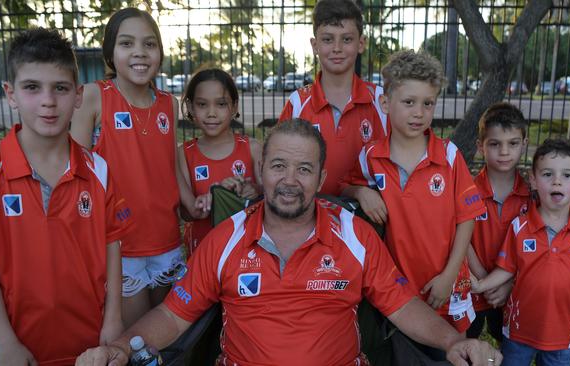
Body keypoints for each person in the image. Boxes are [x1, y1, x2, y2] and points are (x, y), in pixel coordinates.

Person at [76, 119, 502, 366]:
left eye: (303, 170)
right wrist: (116, 348)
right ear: (261, 171)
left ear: (320, 179)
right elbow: (172, 317)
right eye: (278, 166)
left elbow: (403, 306)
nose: (289, 181)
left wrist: (452, 342)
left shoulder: (354, 236)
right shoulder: (226, 239)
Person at [0, 28, 132, 365]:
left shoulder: (99, 171)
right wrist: (6, 342)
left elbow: (113, 247)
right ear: (11, 94)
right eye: (32, 87)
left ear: (78, 96)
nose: (48, 101)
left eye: (61, 88)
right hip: (13, 348)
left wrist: (113, 318)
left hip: (87, 344)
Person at [70, 8, 208, 329]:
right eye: (127, 43)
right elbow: (76, 177)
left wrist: (191, 203)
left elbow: (170, 164)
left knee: (161, 338)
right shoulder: (93, 97)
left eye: (149, 44)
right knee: (133, 339)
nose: (139, 53)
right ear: (110, 52)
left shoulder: (167, 104)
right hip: (120, 246)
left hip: (165, 238)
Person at [341, 50, 486, 354]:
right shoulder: (370, 157)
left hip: (447, 288)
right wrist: (360, 192)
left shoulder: (448, 155)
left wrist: (448, 275)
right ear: (385, 103)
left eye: (427, 103)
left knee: (455, 352)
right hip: (401, 295)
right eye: (409, 102)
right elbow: (344, 187)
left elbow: (467, 217)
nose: (419, 112)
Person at [471, 139, 570, 366]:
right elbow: (507, 269)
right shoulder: (519, 227)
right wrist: (480, 285)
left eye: (567, 175)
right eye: (547, 174)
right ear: (534, 181)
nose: (557, 181)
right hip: (518, 332)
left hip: (563, 336)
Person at [278, 0, 387, 195]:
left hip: (368, 218)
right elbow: (279, 161)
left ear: (361, 43)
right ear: (315, 44)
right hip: (309, 217)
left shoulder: (381, 100)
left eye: (346, 39)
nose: (337, 48)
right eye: (328, 39)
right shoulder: (298, 103)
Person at [178, 68, 262, 254]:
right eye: (202, 105)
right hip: (202, 253)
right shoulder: (183, 154)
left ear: (234, 106)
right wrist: (204, 203)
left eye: (221, 104)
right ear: (191, 107)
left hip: (246, 257)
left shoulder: (253, 149)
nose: (211, 113)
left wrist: (254, 191)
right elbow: (185, 213)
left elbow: (270, 197)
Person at [465, 102, 530, 343]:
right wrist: (483, 280)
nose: (504, 152)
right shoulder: (467, 191)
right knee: (466, 343)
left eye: (512, 143)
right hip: (473, 285)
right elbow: (460, 237)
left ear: (524, 145)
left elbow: (534, 250)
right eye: (495, 144)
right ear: (480, 147)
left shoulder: (533, 197)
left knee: (508, 345)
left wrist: (508, 284)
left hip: (512, 289)